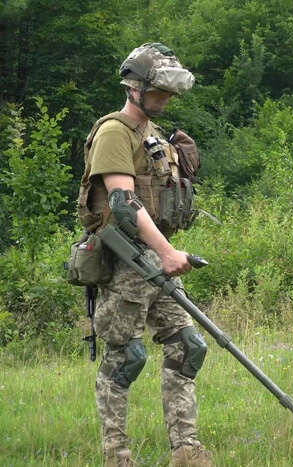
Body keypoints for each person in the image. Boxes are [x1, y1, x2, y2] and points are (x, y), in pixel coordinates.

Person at [75, 43, 213, 467]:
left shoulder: (154, 136)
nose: (166, 100)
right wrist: (168, 252)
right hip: (126, 262)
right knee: (125, 356)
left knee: (188, 346)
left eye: (169, 93)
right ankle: (117, 455)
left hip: (155, 261)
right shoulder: (115, 131)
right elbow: (122, 203)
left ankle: (185, 449)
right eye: (159, 92)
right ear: (134, 88)